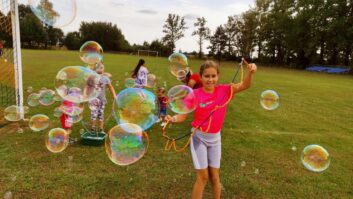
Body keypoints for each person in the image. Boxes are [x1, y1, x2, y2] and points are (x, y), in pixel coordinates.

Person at [165, 60, 257, 199]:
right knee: (203, 177)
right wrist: (172, 119)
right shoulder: (194, 94)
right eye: (207, 76)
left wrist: (250, 72)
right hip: (198, 138)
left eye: (213, 76)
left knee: (215, 177)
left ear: (218, 76)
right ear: (200, 77)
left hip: (215, 139)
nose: (210, 79)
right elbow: (182, 116)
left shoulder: (225, 90)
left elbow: (245, 85)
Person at [89, 62, 116, 133]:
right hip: (93, 100)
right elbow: (88, 87)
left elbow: (111, 87)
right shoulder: (92, 78)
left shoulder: (105, 78)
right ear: (94, 69)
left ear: (104, 69)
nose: (100, 69)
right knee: (93, 114)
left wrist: (114, 95)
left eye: (102, 67)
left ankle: (101, 129)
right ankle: (93, 129)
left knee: (101, 114)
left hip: (102, 100)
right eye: (98, 67)